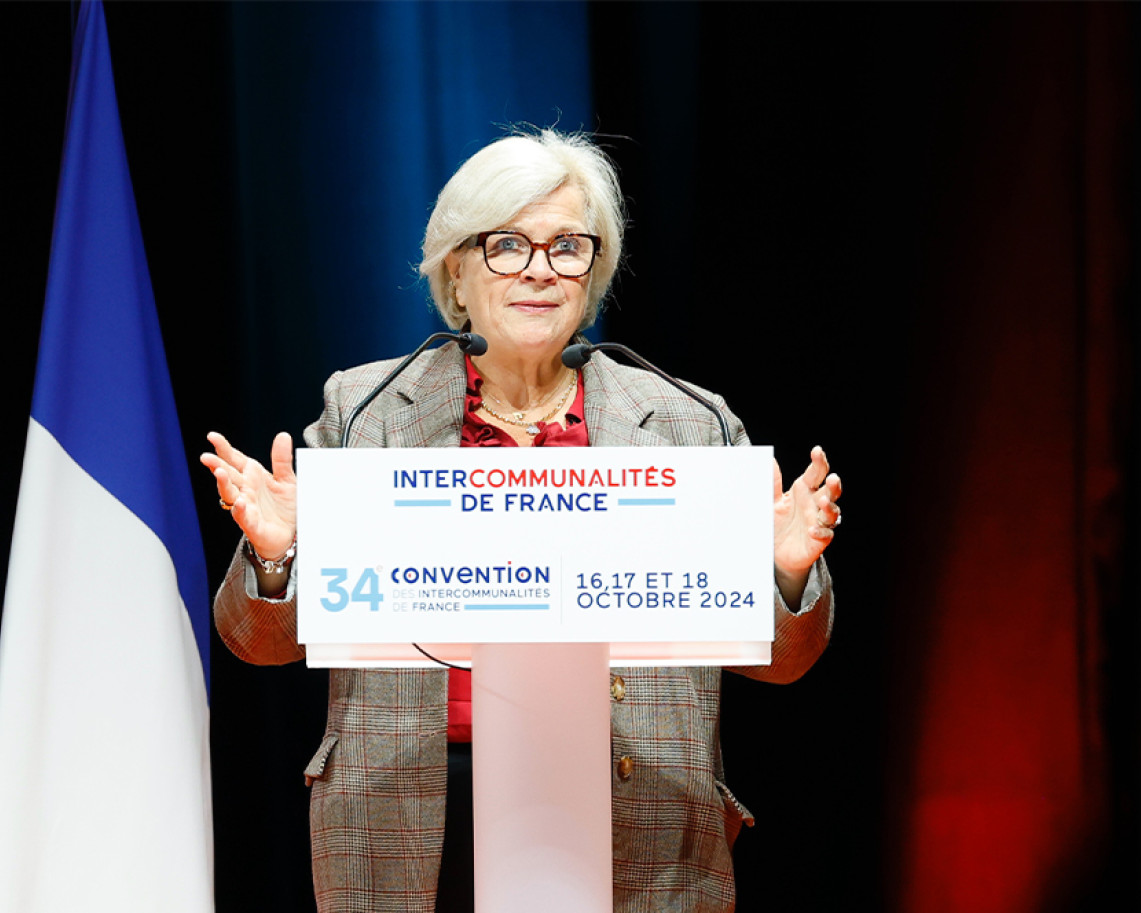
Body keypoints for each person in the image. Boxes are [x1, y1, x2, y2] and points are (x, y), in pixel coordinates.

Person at [203, 129, 840, 913]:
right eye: (507, 244)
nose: (539, 268)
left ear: (592, 272)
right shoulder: (368, 415)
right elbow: (258, 640)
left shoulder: (687, 422)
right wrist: (280, 553)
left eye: (567, 246)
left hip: (637, 818)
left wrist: (781, 571)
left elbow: (780, 662)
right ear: (458, 273)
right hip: (413, 814)